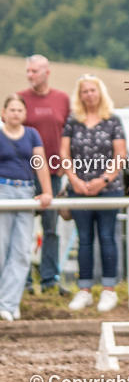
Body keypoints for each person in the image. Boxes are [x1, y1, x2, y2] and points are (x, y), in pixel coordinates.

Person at [61, 76, 127, 312]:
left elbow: (120, 155)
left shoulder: (113, 120)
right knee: (84, 240)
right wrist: (74, 180)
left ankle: (109, 290)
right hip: (79, 191)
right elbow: (64, 155)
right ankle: (84, 289)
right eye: (85, 91)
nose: (89, 94)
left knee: (107, 238)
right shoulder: (72, 121)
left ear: (100, 93)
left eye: (92, 90)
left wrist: (103, 180)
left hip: (109, 189)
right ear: (79, 96)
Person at [20, 55, 71, 294]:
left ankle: (49, 279)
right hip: (24, 176)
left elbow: (68, 134)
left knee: (51, 229)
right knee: (22, 229)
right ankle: (24, 280)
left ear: (46, 72)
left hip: (53, 174)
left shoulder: (62, 99)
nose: (30, 75)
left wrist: (65, 163)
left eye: (34, 71)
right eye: (28, 71)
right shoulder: (20, 100)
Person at [0, 94, 53, 320]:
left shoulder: (32, 134)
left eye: (19, 110)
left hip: (25, 191)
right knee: (1, 248)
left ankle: (9, 303)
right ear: (3, 113)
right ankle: (5, 300)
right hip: (3, 190)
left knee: (21, 250)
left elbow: (39, 163)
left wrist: (47, 191)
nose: (15, 114)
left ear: (25, 113)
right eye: (11, 110)